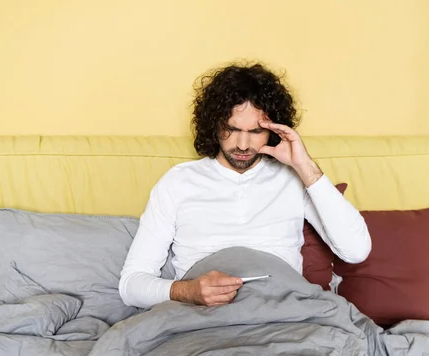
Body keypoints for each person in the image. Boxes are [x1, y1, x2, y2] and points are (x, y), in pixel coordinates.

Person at [119, 62, 371, 309]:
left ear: (274, 130)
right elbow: (131, 286)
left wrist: (305, 166)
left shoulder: (293, 179)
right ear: (214, 125)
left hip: (282, 314)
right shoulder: (177, 183)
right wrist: (188, 291)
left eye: (255, 131)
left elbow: (356, 251)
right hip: (203, 320)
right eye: (231, 128)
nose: (242, 144)